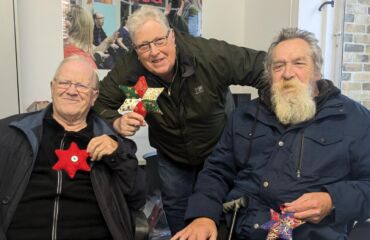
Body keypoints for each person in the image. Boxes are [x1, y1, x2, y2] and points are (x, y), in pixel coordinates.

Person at [172, 28, 370, 240]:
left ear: (317, 71)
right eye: (278, 66)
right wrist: (203, 215)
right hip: (240, 230)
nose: (287, 73)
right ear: (269, 74)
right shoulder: (245, 116)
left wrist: (332, 201)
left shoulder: (353, 119)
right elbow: (216, 171)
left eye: (299, 63)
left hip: (310, 234)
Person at [93, 5, 267, 235]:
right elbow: (98, 102)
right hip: (171, 156)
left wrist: (255, 125)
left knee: (222, 219)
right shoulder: (129, 68)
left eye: (159, 41)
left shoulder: (209, 55)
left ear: (172, 35)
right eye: (144, 46)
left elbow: (264, 67)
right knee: (178, 218)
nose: (154, 52)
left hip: (218, 155)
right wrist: (115, 122)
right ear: (135, 49)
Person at [0, 56, 146, 240]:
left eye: (81, 86)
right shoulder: (10, 133)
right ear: (52, 88)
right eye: (64, 83)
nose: (71, 91)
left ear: (94, 96)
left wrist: (117, 156)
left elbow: (138, 198)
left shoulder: (113, 140)